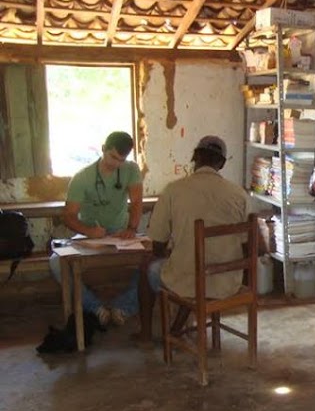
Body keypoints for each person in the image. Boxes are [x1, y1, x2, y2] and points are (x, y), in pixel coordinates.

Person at [137, 135, 248, 342]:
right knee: (194, 267)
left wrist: (172, 252)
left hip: (189, 281)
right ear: (222, 163)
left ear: (194, 157)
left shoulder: (173, 190)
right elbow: (250, 245)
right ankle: (176, 330)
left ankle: (146, 334)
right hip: (227, 282)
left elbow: (158, 245)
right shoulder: (239, 194)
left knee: (147, 269)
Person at [49, 131, 143, 326]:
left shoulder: (131, 170)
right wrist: (89, 231)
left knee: (154, 259)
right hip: (89, 236)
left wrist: (132, 228)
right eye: (112, 157)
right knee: (56, 262)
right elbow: (69, 216)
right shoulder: (82, 177)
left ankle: (124, 307)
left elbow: (136, 202)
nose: (116, 163)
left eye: (121, 159)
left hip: (121, 234)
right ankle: (95, 308)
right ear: (103, 149)